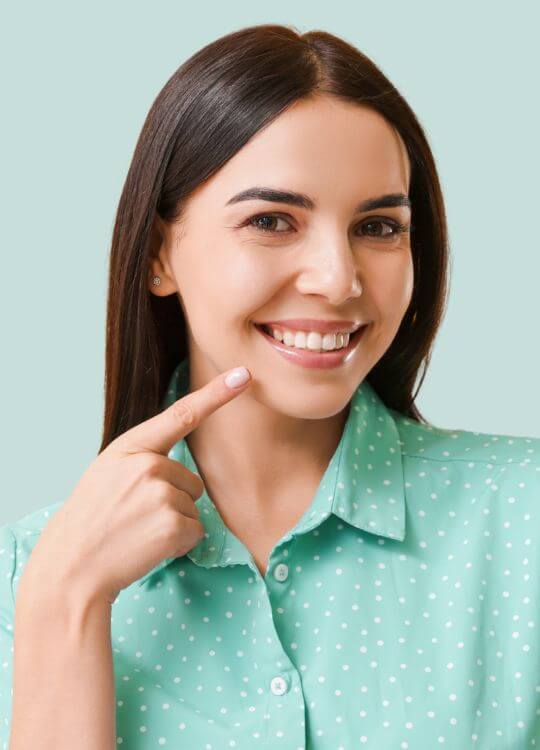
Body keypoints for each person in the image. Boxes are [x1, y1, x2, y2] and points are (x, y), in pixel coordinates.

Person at [1, 22, 539, 750]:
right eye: (272, 220)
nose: (338, 278)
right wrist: (64, 602)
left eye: (379, 227)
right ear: (159, 254)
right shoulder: (29, 574)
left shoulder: (523, 521)